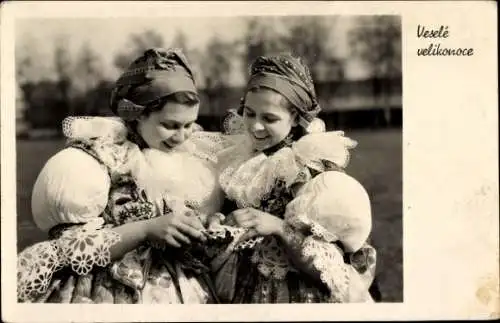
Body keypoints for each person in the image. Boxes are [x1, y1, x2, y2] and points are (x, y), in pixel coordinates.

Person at [17, 48, 229, 304]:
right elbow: (67, 249)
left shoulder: (188, 160)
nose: (181, 136)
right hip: (111, 291)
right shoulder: (96, 159)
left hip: (179, 288)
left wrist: (204, 226)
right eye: (170, 125)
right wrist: (145, 229)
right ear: (137, 115)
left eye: (188, 125)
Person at [209, 53, 378, 303]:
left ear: (297, 118)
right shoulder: (238, 160)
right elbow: (230, 208)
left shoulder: (307, 168)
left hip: (295, 289)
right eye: (249, 113)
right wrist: (219, 220)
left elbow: (332, 261)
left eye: (269, 118)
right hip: (239, 283)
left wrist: (278, 227)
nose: (255, 126)